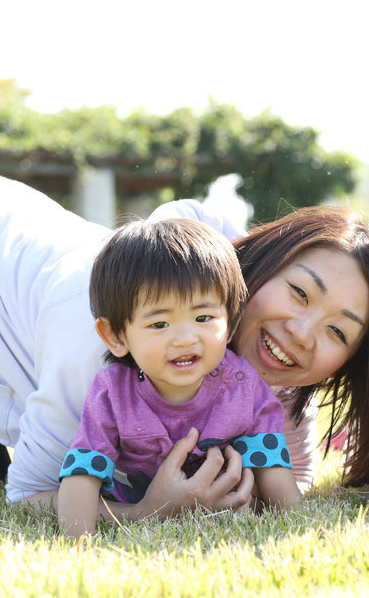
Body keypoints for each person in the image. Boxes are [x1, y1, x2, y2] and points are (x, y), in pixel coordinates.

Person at [0, 163, 369, 522]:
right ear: (254, 269)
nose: (302, 334)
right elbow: (33, 491)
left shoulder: (245, 357)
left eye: (338, 331)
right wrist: (144, 510)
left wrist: (248, 489)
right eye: (300, 294)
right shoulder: (115, 339)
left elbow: (289, 464)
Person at [58, 218, 300, 536]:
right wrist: (78, 544)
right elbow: (83, 470)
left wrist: (298, 526)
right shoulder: (113, 393)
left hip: (222, 513)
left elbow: (270, 461)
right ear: (116, 335)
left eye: (203, 317)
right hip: (136, 505)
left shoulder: (243, 384)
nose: (185, 338)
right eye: (160, 324)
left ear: (231, 322)